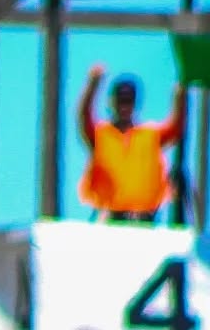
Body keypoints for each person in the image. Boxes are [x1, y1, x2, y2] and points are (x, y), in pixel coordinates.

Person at [77, 65, 186, 223]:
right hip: (108, 218)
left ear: (135, 103)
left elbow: (175, 128)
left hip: (143, 219)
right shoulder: (100, 134)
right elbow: (84, 117)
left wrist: (180, 92)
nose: (124, 106)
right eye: (120, 100)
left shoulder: (150, 135)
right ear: (111, 102)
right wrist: (92, 84)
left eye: (128, 101)